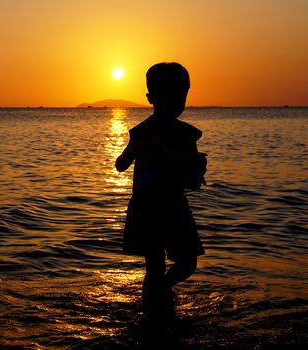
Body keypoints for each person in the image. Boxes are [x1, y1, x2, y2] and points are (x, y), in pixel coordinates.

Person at [115, 62, 207, 318]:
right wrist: (134, 150)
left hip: (175, 205)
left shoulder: (186, 133)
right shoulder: (141, 132)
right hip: (146, 208)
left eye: (182, 95)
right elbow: (120, 165)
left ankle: (162, 289)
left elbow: (194, 169)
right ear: (151, 98)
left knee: (188, 262)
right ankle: (153, 310)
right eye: (171, 95)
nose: (178, 102)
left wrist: (194, 172)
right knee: (154, 265)